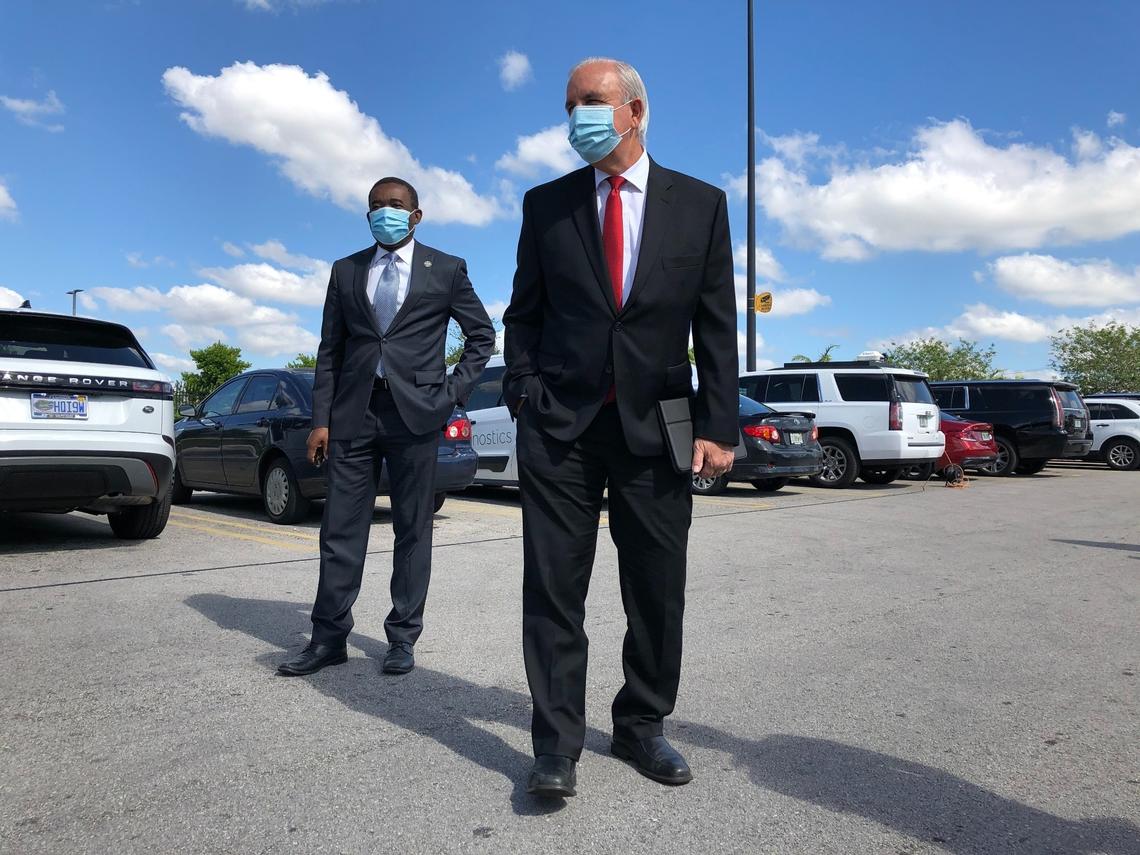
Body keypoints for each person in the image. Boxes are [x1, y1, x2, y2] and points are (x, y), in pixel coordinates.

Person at [503, 58, 738, 797]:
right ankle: (556, 744)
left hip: (661, 424)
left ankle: (641, 724)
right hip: (560, 427)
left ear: (634, 110)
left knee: (657, 587)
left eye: (592, 101)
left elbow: (718, 328)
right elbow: (523, 316)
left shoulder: (700, 204)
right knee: (552, 589)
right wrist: (524, 394)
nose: (577, 115)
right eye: (569, 104)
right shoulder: (546, 206)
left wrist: (718, 424)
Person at [278, 177, 494, 678]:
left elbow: (482, 336)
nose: (384, 212)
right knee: (339, 530)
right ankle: (329, 638)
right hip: (354, 415)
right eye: (376, 205)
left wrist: (450, 394)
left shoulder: (446, 268)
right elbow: (330, 350)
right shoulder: (347, 270)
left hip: (417, 415)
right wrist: (321, 420)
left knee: (412, 528)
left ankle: (402, 637)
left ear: (416, 215)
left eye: (395, 205)